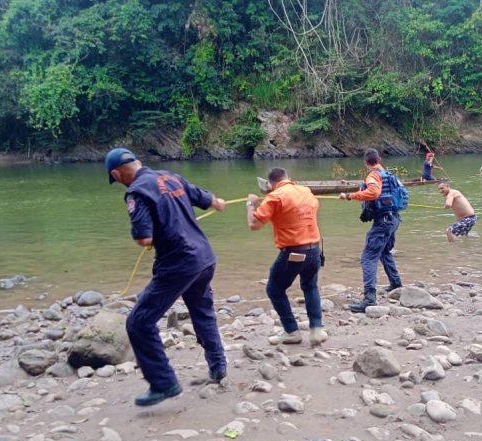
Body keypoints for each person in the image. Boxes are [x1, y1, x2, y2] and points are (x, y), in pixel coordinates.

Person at [106, 148, 228, 406]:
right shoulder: (169, 176)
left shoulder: (136, 192)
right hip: (205, 258)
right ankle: (218, 369)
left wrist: (147, 239)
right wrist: (217, 202)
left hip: (178, 264)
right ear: (137, 162)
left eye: (115, 179)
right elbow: (211, 201)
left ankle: (164, 384)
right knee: (202, 312)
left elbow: (144, 238)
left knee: (138, 322)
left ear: (117, 174)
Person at [246, 168, 328, 347]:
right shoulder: (306, 191)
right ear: (288, 178)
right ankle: (316, 330)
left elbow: (254, 225)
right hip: (314, 249)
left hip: (294, 252)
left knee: (274, 289)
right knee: (310, 286)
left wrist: (251, 204)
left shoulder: (274, 197)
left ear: (270, 184)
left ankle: (291, 331)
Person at [339, 148, 403, 312]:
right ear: (379, 159)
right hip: (394, 219)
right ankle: (396, 284)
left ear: (366, 163)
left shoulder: (373, 175)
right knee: (384, 252)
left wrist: (350, 196)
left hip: (383, 222)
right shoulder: (389, 174)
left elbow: (374, 192)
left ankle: (369, 299)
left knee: (368, 257)